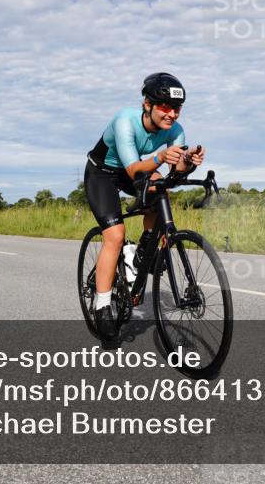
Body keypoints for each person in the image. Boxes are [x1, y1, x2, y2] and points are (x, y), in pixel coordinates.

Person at [84, 73, 205, 341]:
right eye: (164, 106)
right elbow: (134, 169)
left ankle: (143, 251)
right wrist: (161, 156)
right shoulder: (125, 121)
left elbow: (175, 172)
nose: (172, 114)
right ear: (147, 105)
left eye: (177, 108)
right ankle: (102, 304)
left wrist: (189, 161)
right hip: (102, 174)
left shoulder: (176, 130)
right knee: (114, 235)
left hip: (134, 171)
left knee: (161, 188)